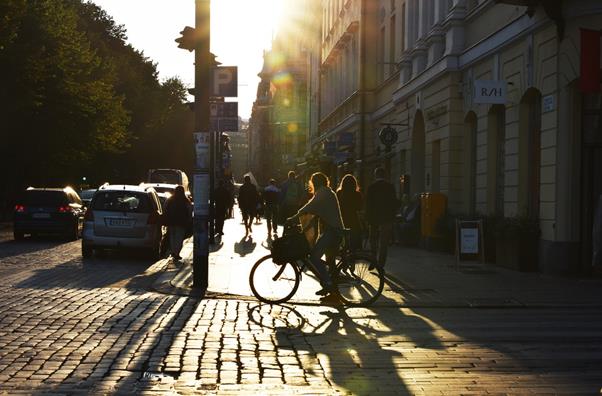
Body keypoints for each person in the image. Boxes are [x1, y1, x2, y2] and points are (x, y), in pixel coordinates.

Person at [287, 172, 344, 296]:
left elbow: (310, 207)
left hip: (332, 231)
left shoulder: (323, 193)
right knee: (330, 261)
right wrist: (304, 227)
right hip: (332, 230)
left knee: (314, 257)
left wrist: (293, 218)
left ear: (315, 183)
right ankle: (330, 288)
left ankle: (328, 283)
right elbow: (316, 214)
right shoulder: (326, 192)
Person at [365, 167, 399, 269]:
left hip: (374, 218)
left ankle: (373, 260)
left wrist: (367, 218)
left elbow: (368, 204)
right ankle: (381, 264)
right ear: (385, 175)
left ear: (376, 175)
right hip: (387, 218)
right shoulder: (390, 187)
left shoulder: (371, 187)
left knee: (373, 240)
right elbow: (394, 202)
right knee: (384, 242)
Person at [163, 185, 192, 261]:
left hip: (171, 221)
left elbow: (165, 208)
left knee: (172, 237)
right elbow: (190, 211)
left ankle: (173, 251)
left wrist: (166, 217)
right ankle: (176, 253)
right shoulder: (186, 200)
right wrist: (189, 219)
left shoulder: (170, 199)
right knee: (179, 238)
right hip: (182, 222)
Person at [336, 174, 363, 251]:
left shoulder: (339, 193)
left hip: (342, 219)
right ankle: (353, 256)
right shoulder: (357, 194)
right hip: (353, 219)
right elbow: (360, 207)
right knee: (354, 240)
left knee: (344, 241)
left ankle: (345, 255)